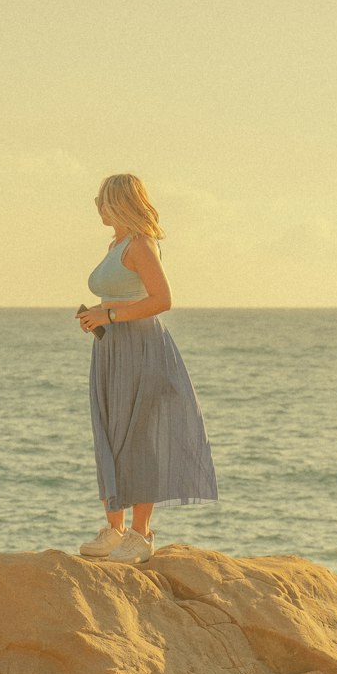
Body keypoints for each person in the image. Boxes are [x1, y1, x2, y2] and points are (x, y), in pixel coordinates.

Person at [76, 174, 218, 563]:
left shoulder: (140, 245)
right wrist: (99, 317)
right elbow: (119, 299)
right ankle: (113, 530)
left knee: (138, 436)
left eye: (104, 201)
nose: (98, 207)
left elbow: (162, 299)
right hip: (111, 349)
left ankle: (140, 536)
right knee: (108, 431)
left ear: (121, 203)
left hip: (141, 348)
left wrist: (108, 312)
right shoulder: (116, 245)